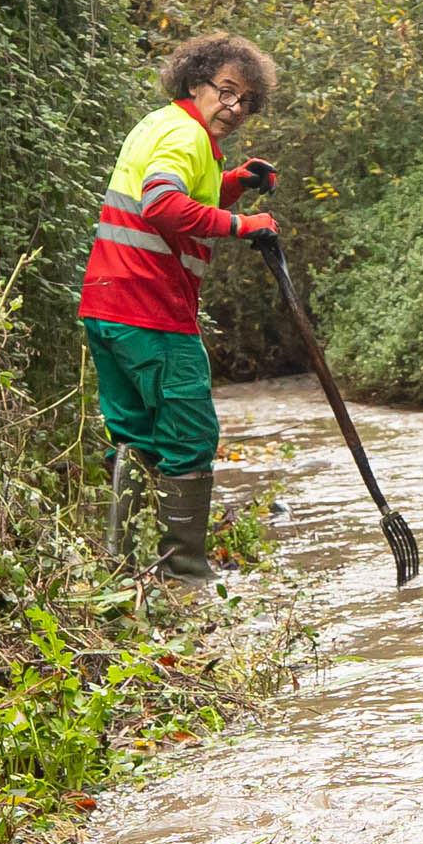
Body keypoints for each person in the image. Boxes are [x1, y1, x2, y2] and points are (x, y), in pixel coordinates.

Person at [81, 35, 282, 581]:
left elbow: (185, 192)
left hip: (106, 304)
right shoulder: (186, 133)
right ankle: (184, 576)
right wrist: (243, 225)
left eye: (246, 101)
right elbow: (163, 203)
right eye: (226, 91)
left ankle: (123, 572)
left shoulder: (160, 124)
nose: (235, 108)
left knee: (135, 436)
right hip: (151, 310)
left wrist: (234, 184)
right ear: (195, 83)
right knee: (189, 435)